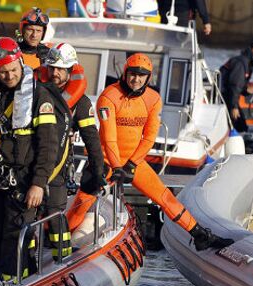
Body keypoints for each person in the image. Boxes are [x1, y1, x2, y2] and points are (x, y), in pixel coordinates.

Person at [70, 53, 232, 251]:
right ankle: (57, 239)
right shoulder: (109, 96)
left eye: (142, 75)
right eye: (132, 74)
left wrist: (131, 164)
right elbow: (110, 138)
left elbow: (149, 137)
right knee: (82, 201)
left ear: (148, 77)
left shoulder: (153, 99)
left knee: (165, 197)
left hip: (132, 162)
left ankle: (200, 236)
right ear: (125, 73)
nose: (136, 79)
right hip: (105, 161)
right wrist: (118, 167)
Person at [0, 36, 58, 281]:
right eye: (2, 72)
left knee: (16, 234)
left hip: (23, 180)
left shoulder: (40, 96)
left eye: (13, 70)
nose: (9, 76)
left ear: (21, 64)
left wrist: (38, 183)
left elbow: (48, 145)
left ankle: (16, 283)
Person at [42, 43, 106, 258]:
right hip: (32, 165)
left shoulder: (81, 102)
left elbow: (92, 140)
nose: (55, 73)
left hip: (58, 169)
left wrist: (98, 171)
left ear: (71, 71)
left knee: (55, 214)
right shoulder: (34, 94)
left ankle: (62, 258)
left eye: (61, 69)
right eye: (52, 68)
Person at [220, 39, 253, 133]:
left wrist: (246, 90)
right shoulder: (241, 63)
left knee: (241, 126)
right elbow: (234, 85)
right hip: (225, 97)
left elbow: (238, 84)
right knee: (240, 126)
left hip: (229, 96)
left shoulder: (246, 62)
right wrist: (234, 107)